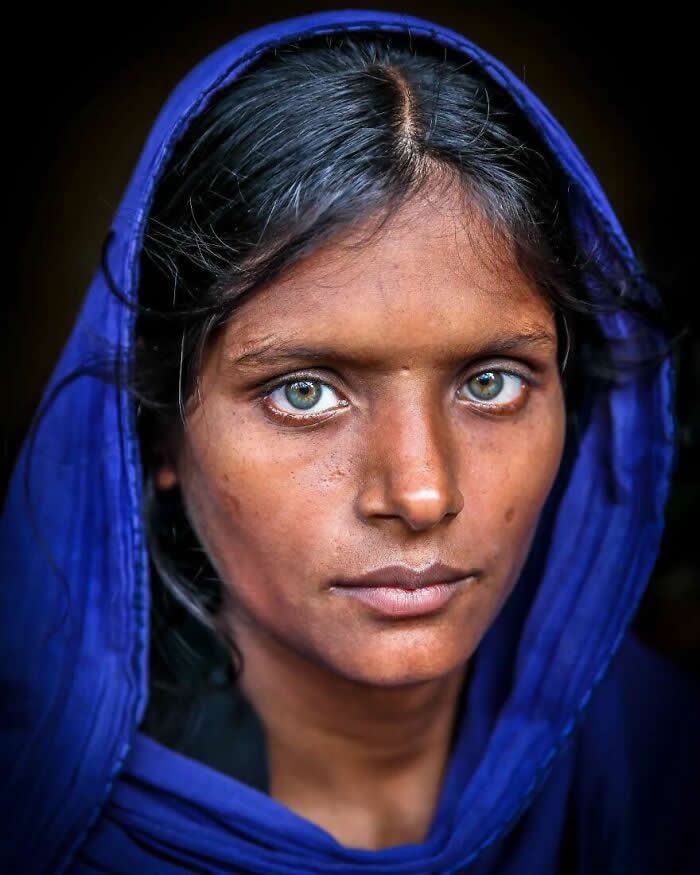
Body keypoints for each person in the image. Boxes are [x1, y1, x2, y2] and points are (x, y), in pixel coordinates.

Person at [1, 9, 697, 874]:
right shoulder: (34, 824)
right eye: (305, 392)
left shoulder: (668, 770)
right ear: (158, 434)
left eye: (492, 381)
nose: (421, 493)